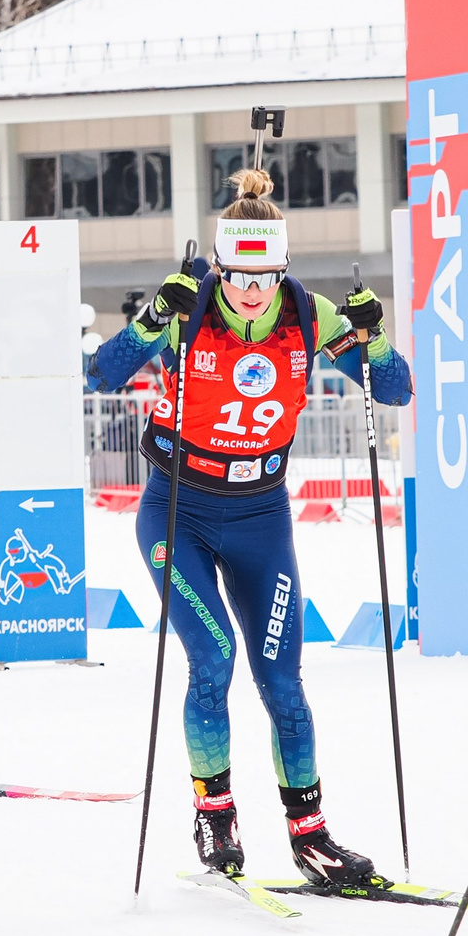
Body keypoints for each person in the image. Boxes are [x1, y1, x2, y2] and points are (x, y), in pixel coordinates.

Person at [86, 169, 414, 888]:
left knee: (283, 682)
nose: (253, 291)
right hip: (179, 510)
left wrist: (374, 337)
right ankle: (216, 814)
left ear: (283, 268)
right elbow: (101, 375)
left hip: (261, 516)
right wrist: (150, 318)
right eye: (238, 275)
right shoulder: (188, 308)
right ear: (220, 266)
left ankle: (311, 835)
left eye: (266, 276)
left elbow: (394, 390)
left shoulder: (308, 313)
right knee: (214, 657)